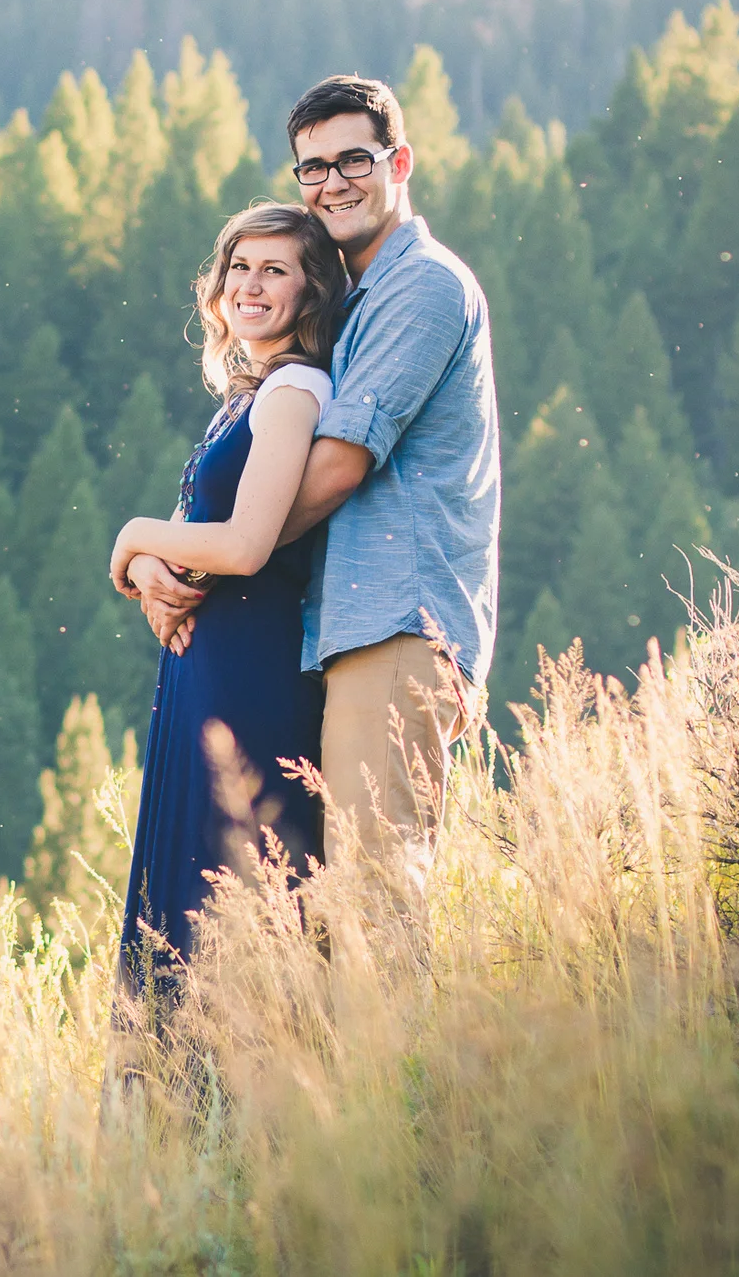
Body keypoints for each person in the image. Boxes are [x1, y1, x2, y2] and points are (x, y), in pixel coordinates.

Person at [133, 74, 501, 890]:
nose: (334, 182)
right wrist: (170, 557)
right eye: (314, 167)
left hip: (399, 622)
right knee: (313, 906)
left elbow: (335, 469)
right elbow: (258, 472)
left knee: (375, 897)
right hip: (336, 629)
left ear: (399, 162)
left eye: (354, 160)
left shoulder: (422, 285)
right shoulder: (352, 304)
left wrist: (192, 563)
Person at [106, 202, 351, 989]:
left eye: (275, 270)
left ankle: (245, 1061)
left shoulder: (295, 391)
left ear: (312, 292)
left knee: (232, 878)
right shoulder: (248, 396)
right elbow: (198, 533)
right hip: (204, 666)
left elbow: (245, 545)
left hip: (251, 670)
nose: (250, 285)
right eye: (239, 267)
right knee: (188, 879)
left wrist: (132, 534)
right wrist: (151, 566)